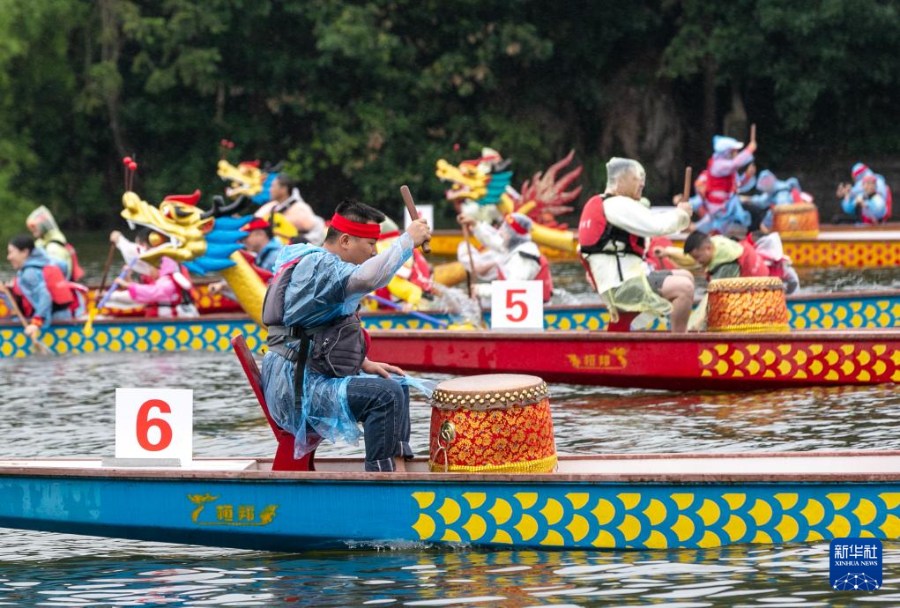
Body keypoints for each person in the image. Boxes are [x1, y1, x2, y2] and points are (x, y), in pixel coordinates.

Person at [260, 198, 432, 472]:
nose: (375, 253)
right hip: (295, 389)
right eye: (371, 245)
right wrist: (407, 241)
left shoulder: (323, 264)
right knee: (384, 395)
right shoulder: (319, 266)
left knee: (396, 383)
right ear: (345, 241)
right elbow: (368, 278)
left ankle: (399, 468)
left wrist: (364, 364)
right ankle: (382, 480)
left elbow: (316, 327)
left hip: (305, 373)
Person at [578, 157, 694, 332]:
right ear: (620, 181)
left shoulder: (606, 204)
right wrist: (681, 215)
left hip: (623, 281)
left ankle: (623, 330)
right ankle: (680, 343)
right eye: (636, 178)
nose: (642, 182)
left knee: (687, 276)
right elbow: (655, 226)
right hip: (621, 286)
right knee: (684, 288)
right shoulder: (616, 204)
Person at [457, 212, 554, 303]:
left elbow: (513, 289)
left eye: (505, 230)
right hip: (521, 307)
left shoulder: (523, 257)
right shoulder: (514, 247)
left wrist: (481, 290)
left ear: (512, 235)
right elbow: (492, 240)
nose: (500, 233)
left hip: (535, 310)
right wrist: (475, 225)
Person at [105, 229, 198, 317]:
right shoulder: (157, 275)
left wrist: (126, 286)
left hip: (172, 319)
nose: (149, 269)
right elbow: (139, 296)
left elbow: (149, 293)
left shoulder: (169, 280)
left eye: (151, 266)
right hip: (156, 316)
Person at [6, 235, 84, 338]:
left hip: (52, 319)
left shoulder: (30, 272)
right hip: (66, 315)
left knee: (14, 320)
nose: (8, 257)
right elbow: (64, 268)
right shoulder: (47, 261)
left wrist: (36, 323)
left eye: (11, 252)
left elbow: (45, 296)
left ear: (24, 252)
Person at [695, 135, 755, 236]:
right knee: (718, 228)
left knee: (723, 227)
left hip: (727, 204)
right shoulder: (719, 165)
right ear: (727, 152)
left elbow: (738, 184)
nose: (736, 153)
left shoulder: (729, 170)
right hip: (717, 205)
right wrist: (749, 150)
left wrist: (747, 176)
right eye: (734, 151)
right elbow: (735, 164)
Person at [255, 174, 326, 245]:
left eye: (273, 186)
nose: (270, 190)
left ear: (284, 189)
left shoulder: (300, 208)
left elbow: (314, 230)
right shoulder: (272, 206)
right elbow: (256, 220)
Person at [25, 206, 84, 281]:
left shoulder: (54, 247)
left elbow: (55, 275)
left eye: (34, 229)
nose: (33, 234)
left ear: (42, 226)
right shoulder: (42, 242)